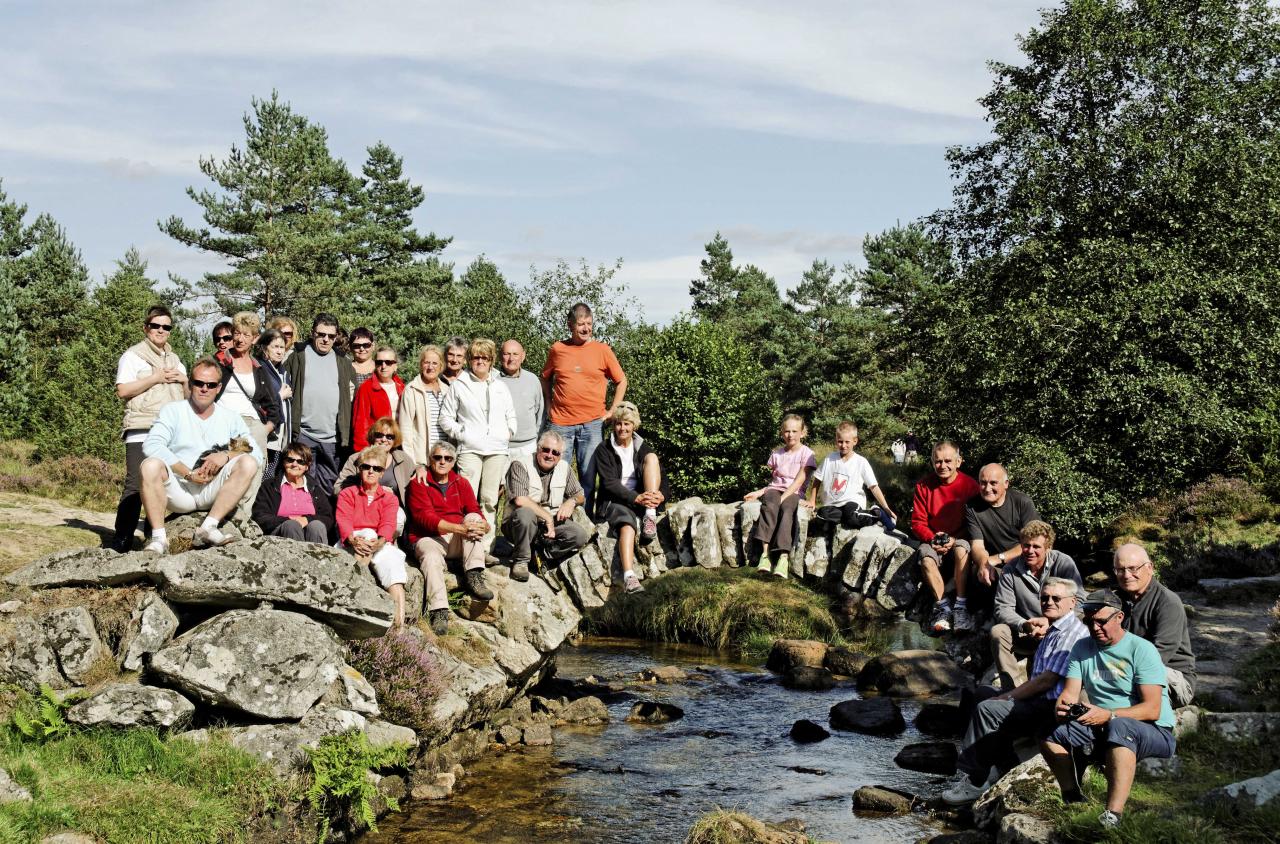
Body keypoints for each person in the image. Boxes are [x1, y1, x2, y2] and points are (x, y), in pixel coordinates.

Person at [942, 577, 1089, 805]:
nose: (1049, 602)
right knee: (982, 693)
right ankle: (998, 763)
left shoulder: (1072, 634)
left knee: (989, 709)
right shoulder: (1055, 628)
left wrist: (1008, 696)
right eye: (1045, 598)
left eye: (1056, 598)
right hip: (1038, 700)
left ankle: (976, 778)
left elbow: (1046, 681)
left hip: (1050, 709)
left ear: (1072, 602)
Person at [1040, 589, 1177, 830]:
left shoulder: (1141, 649)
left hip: (1153, 730)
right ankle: (1072, 797)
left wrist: (1110, 714)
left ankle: (1113, 815)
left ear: (1119, 617)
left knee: (1119, 725)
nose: (1094, 628)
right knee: (1049, 735)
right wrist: (1063, 707)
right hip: (1103, 724)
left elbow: (1152, 709)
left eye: (1101, 621)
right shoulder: (1082, 648)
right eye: (1089, 621)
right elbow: (1070, 693)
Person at [138, 358, 262, 553]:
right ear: (190, 383)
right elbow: (152, 444)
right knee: (150, 465)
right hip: (180, 488)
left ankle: (209, 526)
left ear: (218, 388)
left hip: (211, 489)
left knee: (248, 463)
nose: (204, 388)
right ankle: (159, 538)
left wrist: (225, 455)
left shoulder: (229, 418)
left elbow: (252, 448)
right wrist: (187, 472)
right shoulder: (174, 411)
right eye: (199, 383)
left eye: (210, 385)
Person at [111, 305, 188, 552]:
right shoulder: (133, 356)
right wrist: (154, 378)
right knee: (135, 484)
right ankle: (121, 539)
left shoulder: (176, 360)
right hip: (141, 428)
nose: (161, 330)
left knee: (162, 484)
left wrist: (185, 381)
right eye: (156, 325)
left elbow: (188, 399)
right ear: (146, 328)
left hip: (170, 433)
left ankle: (152, 536)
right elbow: (122, 391)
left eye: (166, 326)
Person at [541, 303, 628, 516]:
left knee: (588, 476)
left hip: (592, 424)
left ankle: (585, 524)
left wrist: (612, 411)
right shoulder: (558, 349)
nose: (586, 328)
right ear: (570, 325)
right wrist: (549, 406)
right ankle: (555, 522)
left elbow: (622, 380)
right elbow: (545, 378)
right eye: (581, 324)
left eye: (589, 324)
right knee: (556, 476)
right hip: (560, 423)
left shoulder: (602, 350)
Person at [407, 441, 494, 636]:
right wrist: (461, 528)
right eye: (437, 457)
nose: (442, 462)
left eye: (447, 458)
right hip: (429, 537)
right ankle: (439, 610)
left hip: (456, 537)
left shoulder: (461, 482)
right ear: (430, 460)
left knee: (474, 518)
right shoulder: (418, 482)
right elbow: (425, 518)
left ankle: (474, 575)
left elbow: (474, 509)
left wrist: (483, 525)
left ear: (454, 462)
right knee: (430, 556)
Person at [439, 338, 516, 549]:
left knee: (489, 500)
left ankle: (486, 546)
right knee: (466, 499)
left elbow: (511, 415)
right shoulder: (460, 385)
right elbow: (445, 418)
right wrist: (462, 433)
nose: (480, 361)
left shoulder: (500, 386)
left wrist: (508, 432)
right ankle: (464, 546)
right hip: (470, 449)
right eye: (475, 357)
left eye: (484, 357)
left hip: (497, 450)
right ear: (469, 360)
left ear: (491, 360)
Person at [990, 521, 1085, 690]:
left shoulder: (1063, 563)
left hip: (1060, 633)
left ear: (1048, 547)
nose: (1030, 551)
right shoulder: (1010, 569)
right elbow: (1003, 608)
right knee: (998, 631)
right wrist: (1024, 624)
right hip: (1029, 632)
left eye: (1036, 546)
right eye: (1026, 546)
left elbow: (1080, 602)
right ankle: (1011, 689)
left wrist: (1053, 623)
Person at [595, 402, 670, 594]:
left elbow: (661, 474)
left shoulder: (643, 446)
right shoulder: (604, 449)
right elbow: (609, 484)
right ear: (613, 425)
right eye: (619, 423)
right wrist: (637, 499)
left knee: (652, 458)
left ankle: (650, 516)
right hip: (616, 500)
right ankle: (629, 576)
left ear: (634, 425)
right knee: (627, 525)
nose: (622, 428)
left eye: (627, 424)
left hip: (643, 498)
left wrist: (660, 495)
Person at [1112, 543, 1196, 707]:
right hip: (1124, 669)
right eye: (1120, 570)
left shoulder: (1167, 602)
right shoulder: (1116, 599)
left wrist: (1114, 671)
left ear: (1150, 568)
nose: (1127, 575)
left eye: (1133, 568)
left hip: (1171, 676)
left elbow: (1159, 655)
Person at [911, 441, 982, 635]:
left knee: (961, 548)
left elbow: (976, 523)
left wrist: (953, 539)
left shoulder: (971, 487)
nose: (943, 466)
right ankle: (942, 607)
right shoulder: (924, 486)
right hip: (933, 540)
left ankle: (960, 606)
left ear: (958, 462)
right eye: (938, 461)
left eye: (948, 461)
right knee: (925, 557)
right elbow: (917, 522)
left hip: (960, 539)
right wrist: (932, 538)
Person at [215, 312, 281, 513]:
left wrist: (264, 429)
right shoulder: (220, 362)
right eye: (236, 333)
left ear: (255, 338)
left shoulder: (258, 367)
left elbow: (274, 407)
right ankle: (222, 512)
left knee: (255, 470)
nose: (239, 338)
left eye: (246, 334)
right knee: (229, 468)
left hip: (253, 426)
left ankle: (242, 517)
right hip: (225, 423)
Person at [503, 430, 590, 581]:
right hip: (519, 524)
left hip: (548, 526)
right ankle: (521, 561)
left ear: (560, 455)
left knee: (578, 535)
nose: (550, 455)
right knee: (525, 514)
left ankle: (540, 556)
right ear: (538, 449)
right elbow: (520, 500)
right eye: (546, 450)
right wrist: (548, 517)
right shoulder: (520, 464)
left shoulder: (564, 467)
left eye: (555, 452)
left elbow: (580, 494)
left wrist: (572, 501)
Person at [336, 444, 408, 627]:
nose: (370, 471)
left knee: (395, 571)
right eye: (366, 467)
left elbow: (388, 524)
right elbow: (343, 520)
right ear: (359, 469)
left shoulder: (390, 498)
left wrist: (380, 542)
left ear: (382, 472)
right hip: (351, 543)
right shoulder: (347, 493)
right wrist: (352, 539)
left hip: (378, 543)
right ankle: (351, 609)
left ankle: (398, 631)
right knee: (367, 533)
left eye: (376, 468)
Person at [286, 313, 355, 493]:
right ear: (312, 333)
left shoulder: (344, 362)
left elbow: (352, 398)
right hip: (303, 434)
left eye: (331, 336)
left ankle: (323, 521)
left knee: (328, 488)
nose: (325, 340)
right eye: (321, 334)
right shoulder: (296, 356)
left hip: (333, 437)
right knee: (300, 485)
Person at [746, 414, 816, 579]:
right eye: (786, 431)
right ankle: (765, 556)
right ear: (781, 433)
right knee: (769, 506)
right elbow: (774, 481)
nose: (790, 435)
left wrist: (783, 498)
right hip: (774, 490)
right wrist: (760, 492)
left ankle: (783, 557)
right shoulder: (777, 454)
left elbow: (800, 480)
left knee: (787, 510)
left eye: (794, 431)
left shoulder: (807, 454)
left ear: (802, 433)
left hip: (794, 492)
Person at [333, 417, 417, 537]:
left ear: (395, 440)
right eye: (379, 435)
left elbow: (417, 479)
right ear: (373, 436)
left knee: (397, 519)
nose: (384, 439)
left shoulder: (403, 459)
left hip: (390, 507)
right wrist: (371, 490)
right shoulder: (356, 458)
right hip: (362, 507)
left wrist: (421, 468)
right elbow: (337, 488)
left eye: (389, 437)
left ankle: (388, 542)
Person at [806, 421, 897, 529]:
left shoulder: (861, 462)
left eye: (847, 442)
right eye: (840, 442)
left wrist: (886, 507)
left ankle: (877, 514)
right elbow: (817, 479)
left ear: (855, 441)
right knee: (822, 515)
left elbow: (874, 487)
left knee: (852, 516)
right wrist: (812, 500)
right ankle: (846, 518)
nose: (843, 445)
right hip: (833, 504)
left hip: (852, 502)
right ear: (836, 440)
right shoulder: (829, 459)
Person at [967, 464, 1042, 588]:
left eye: (993, 483)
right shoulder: (972, 507)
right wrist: (983, 563)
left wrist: (997, 558)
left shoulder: (1022, 503)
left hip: (1025, 562)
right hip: (994, 567)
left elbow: (1034, 543)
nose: (987, 488)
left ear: (1006, 483)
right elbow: (977, 545)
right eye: (983, 483)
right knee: (979, 572)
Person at [251, 443, 335, 545]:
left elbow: (328, 518)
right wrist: (288, 519)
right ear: (284, 462)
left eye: (300, 462)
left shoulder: (315, 488)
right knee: (291, 526)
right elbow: (260, 516)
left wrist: (307, 519)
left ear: (307, 466)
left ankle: (320, 560)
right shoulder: (270, 486)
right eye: (290, 460)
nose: (294, 464)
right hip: (280, 534)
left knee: (316, 526)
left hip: (311, 533)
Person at [398, 345, 451, 467]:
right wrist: (413, 463)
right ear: (421, 364)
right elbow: (405, 430)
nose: (430, 367)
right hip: (422, 460)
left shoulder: (447, 390)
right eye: (427, 362)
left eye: (435, 363)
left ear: (441, 366)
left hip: (444, 458)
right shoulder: (411, 390)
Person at [255, 328, 293, 478]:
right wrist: (280, 396)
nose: (279, 351)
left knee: (273, 476)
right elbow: (257, 400)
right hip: (267, 433)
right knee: (263, 476)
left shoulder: (282, 371)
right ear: (265, 348)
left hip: (279, 435)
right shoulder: (259, 368)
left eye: (282, 347)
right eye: (275, 347)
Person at [352, 346, 404, 451]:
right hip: (376, 446)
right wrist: (363, 451)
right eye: (379, 362)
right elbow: (360, 424)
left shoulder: (402, 387)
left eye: (388, 362)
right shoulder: (366, 388)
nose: (383, 366)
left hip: (398, 446)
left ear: (395, 366)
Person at [499, 339, 545, 459]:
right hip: (500, 447)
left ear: (523, 356)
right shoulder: (492, 380)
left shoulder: (532, 379)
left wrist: (537, 438)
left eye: (515, 354)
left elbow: (539, 412)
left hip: (528, 446)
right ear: (500, 356)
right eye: (507, 354)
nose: (511, 358)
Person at [347, 327, 376, 397]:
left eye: (366, 345)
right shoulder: (345, 369)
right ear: (350, 347)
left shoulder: (383, 367)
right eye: (357, 346)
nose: (362, 349)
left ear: (373, 346)